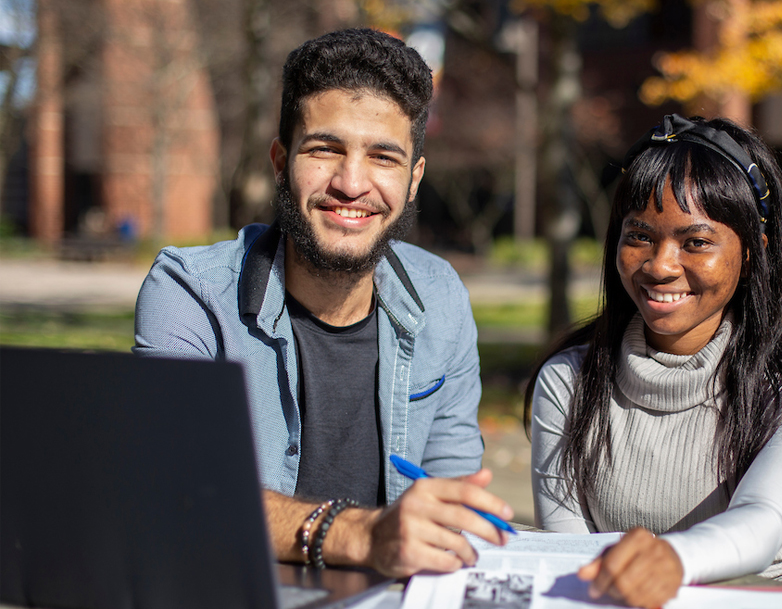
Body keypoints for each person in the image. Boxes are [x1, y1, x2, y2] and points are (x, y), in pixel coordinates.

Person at [134, 28, 513, 578]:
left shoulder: (442, 297)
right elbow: (177, 491)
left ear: (413, 181)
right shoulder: (190, 291)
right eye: (324, 149)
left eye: (384, 157)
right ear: (280, 160)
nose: (351, 183)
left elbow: (449, 502)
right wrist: (359, 534)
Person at [526, 114, 782, 609]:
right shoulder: (568, 380)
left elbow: (760, 523)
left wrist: (670, 561)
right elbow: (568, 548)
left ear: (753, 251)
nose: (660, 265)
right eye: (639, 236)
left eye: (696, 242)